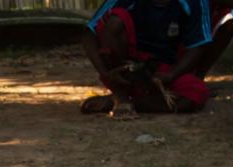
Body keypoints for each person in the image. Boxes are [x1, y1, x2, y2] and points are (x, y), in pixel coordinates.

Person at [81, 0, 213, 118]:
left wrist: (171, 75)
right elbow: (89, 33)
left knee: (194, 95)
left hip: (163, 69)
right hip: (125, 67)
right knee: (115, 20)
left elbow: (198, 46)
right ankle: (121, 94)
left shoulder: (195, 2)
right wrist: (105, 73)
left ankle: (128, 102)